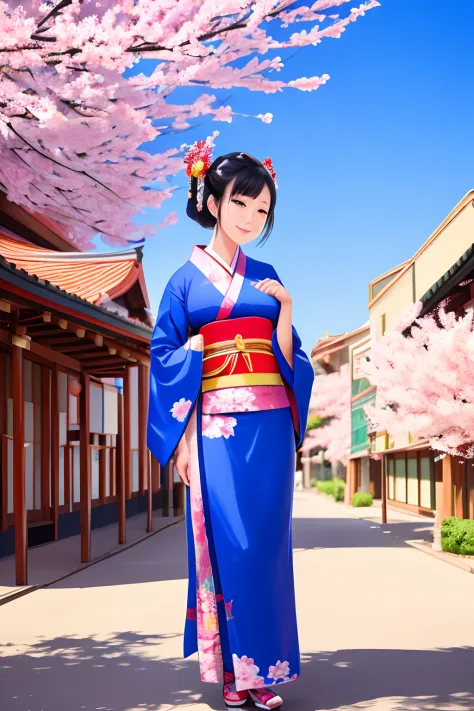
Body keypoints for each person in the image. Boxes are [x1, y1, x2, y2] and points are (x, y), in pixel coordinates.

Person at [147, 140, 314, 710]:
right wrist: (194, 353)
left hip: (268, 430)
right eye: (242, 203)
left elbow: (295, 361)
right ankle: (230, 668)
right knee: (229, 545)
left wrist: (286, 312)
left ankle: (261, 670)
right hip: (215, 428)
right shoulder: (182, 281)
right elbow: (163, 355)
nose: (251, 217)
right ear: (214, 201)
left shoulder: (267, 277)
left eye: (262, 210)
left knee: (267, 547)